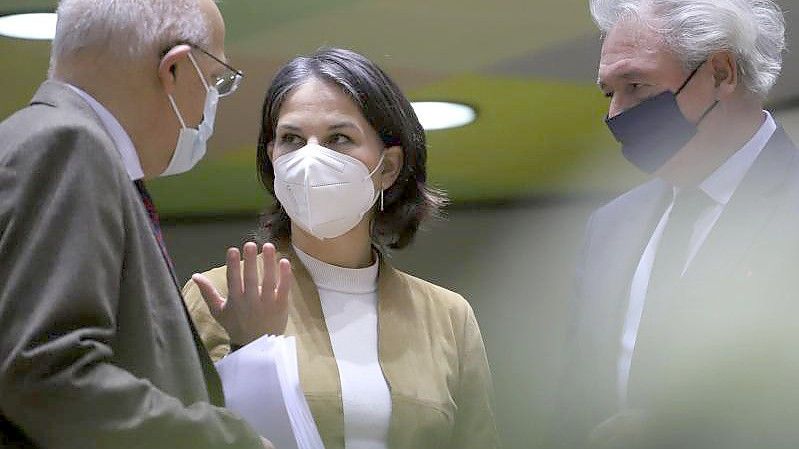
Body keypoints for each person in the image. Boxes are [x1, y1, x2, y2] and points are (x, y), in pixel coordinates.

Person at [183, 47, 501, 449]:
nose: (310, 158)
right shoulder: (220, 297)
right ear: (272, 158)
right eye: (291, 139)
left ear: (387, 167)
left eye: (339, 138)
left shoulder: (448, 317)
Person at [0, 0, 284, 447]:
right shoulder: (69, 144)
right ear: (172, 69)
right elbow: (48, 373)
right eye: (214, 81)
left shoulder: (44, 139)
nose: (212, 101)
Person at [557, 0, 799, 447]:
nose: (616, 114)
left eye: (636, 85)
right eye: (610, 93)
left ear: (722, 73)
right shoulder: (610, 227)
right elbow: (577, 398)